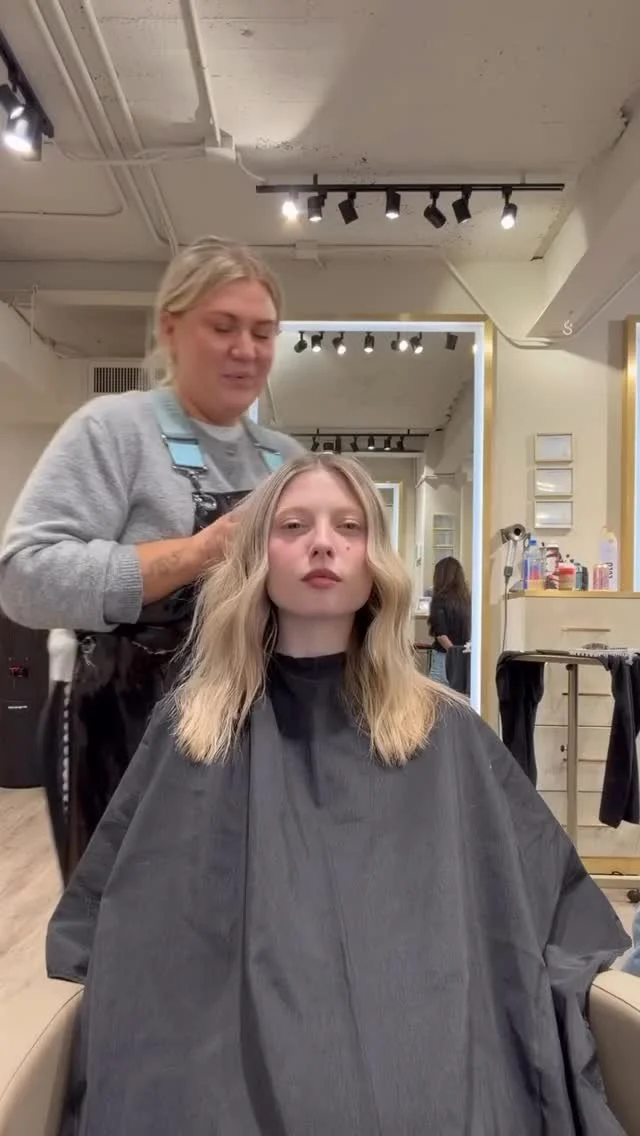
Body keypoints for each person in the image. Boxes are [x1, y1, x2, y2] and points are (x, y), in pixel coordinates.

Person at [47, 453, 630, 1135]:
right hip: (219, 1074)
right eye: (294, 525)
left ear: (375, 560)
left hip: (432, 1062)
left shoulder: (447, 733)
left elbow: (541, 907)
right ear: (257, 555)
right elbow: (125, 931)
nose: (323, 543)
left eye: (348, 527)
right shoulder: (191, 732)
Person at [0, 235, 303, 879]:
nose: (246, 349)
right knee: (127, 918)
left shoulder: (287, 462)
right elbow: (24, 577)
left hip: (256, 731)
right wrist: (197, 553)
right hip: (120, 733)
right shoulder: (113, 431)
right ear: (171, 328)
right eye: (223, 327)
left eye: (262, 332)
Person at [428, 555, 471, 687]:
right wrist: (460, 658)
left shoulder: (439, 600)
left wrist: (454, 656)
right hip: (465, 657)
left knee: (437, 697)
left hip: (444, 658)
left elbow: (441, 635)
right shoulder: (468, 601)